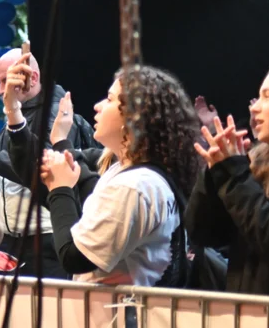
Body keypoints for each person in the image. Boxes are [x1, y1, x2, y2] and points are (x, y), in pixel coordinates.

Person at [11, 65, 200, 286]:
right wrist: (13, 110)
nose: (98, 106)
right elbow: (85, 193)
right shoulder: (133, 174)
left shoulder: (133, 186)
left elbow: (74, 258)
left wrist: (60, 188)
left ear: (134, 118)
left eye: (109, 100)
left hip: (122, 308)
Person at [188, 64, 269, 294]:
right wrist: (217, 169)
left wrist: (235, 174)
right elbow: (202, 232)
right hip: (245, 311)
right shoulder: (255, 163)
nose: (255, 107)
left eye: (267, 96)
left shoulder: (246, 173)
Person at [0, 48, 96, 278]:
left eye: (6, 81)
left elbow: (43, 169)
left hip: (46, 236)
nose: (0, 90)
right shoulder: (19, 110)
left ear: (33, 77)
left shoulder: (52, 112)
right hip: (19, 236)